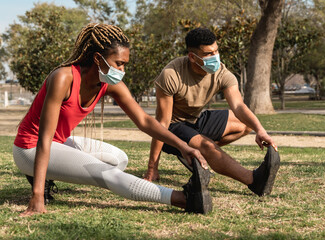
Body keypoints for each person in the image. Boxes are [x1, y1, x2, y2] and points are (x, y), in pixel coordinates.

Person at [13, 23, 213, 216]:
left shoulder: (108, 83)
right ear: (98, 58)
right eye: (119, 64)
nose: (122, 70)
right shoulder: (64, 78)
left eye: (125, 64)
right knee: (106, 174)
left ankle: (52, 173)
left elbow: (144, 120)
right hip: (29, 148)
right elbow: (44, 139)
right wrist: (36, 196)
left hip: (58, 143)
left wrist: (182, 146)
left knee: (119, 159)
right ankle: (185, 199)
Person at [144, 28, 280, 197]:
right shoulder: (171, 74)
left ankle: (199, 156)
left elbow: (238, 106)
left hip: (196, 120)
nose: (215, 57)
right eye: (208, 54)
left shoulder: (222, 73)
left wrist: (260, 130)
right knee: (207, 145)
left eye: (216, 51)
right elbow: (161, 124)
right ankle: (254, 181)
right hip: (173, 127)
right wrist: (152, 168)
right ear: (193, 57)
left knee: (246, 125)